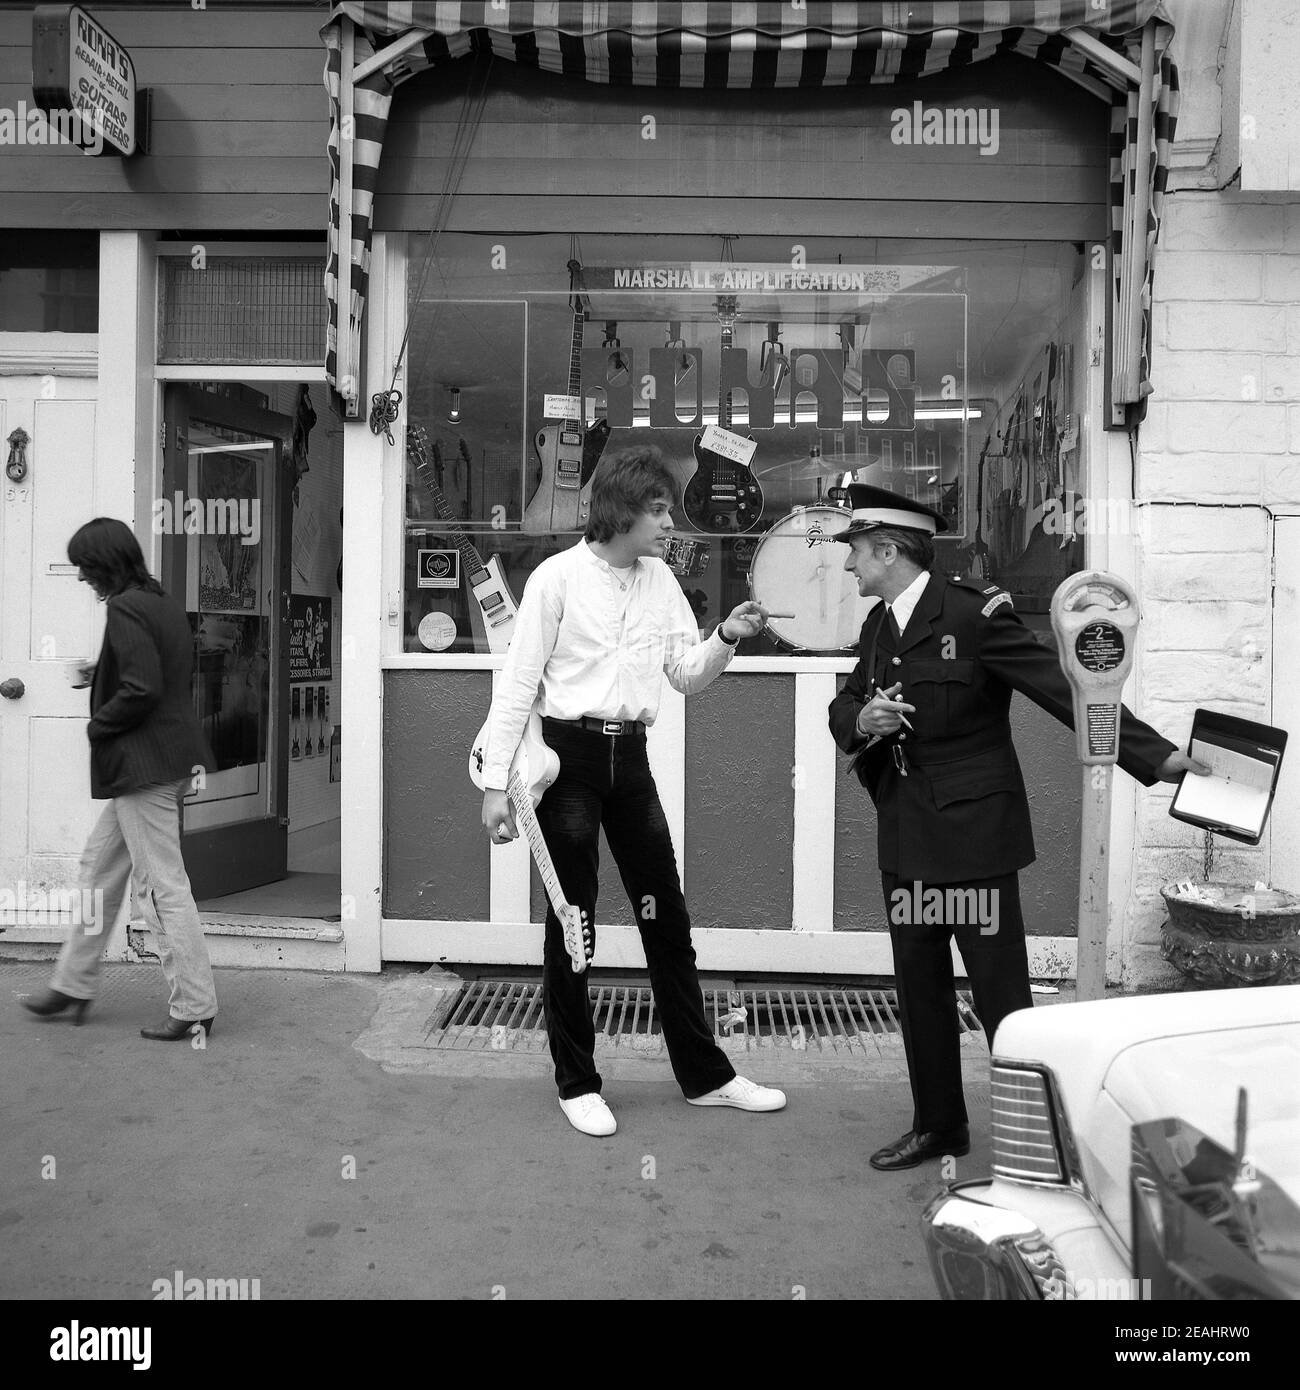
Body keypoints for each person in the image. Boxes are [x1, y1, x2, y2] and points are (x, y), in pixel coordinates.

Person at [827, 485, 1205, 1171]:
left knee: (1003, 999)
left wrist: (1156, 756)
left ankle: (1041, 1138)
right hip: (908, 835)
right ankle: (940, 1125)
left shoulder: (975, 616)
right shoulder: (881, 626)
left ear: (888, 549)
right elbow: (847, 701)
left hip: (974, 839)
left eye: (855, 550)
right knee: (920, 989)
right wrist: (863, 720)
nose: (848, 564)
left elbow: (1063, 689)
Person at [479, 447, 786, 1137]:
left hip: (631, 759)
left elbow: (683, 675)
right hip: (570, 760)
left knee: (666, 917)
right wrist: (496, 782)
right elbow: (518, 681)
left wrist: (725, 638)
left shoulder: (660, 582)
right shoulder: (556, 579)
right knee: (573, 922)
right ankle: (577, 1081)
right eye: (657, 510)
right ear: (621, 511)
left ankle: (706, 1076)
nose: (669, 523)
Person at [23, 518, 219, 1041]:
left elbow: (141, 689)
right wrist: (101, 672)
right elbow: (157, 672)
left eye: (87, 567)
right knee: (99, 869)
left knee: (160, 887)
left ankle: (194, 1004)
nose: (84, 577)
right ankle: (73, 982)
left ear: (107, 563)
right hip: (166, 758)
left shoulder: (125, 605)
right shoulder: (159, 601)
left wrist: (97, 723)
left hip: (144, 766)